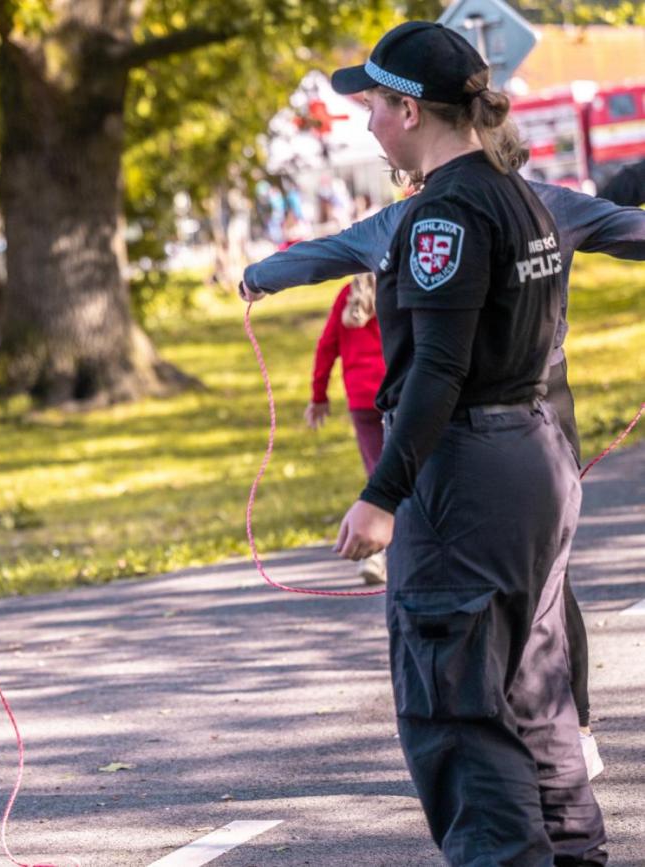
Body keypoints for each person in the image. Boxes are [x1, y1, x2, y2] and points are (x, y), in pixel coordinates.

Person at [242, 22, 607, 865]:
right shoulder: (519, 195)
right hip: (536, 456)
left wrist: (383, 495)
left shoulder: (443, 214)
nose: (367, 121)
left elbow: (439, 369)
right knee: (535, 685)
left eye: (373, 104)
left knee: (458, 704)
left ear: (409, 111)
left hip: (469, 475)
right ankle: (573, 850)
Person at [242, 152, 645, 782]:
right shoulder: (542, 203)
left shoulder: (415, 217)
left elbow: (328, 252)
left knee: (492, 576)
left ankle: (553, 733)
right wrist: (264, 274)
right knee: (541, 575)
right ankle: (556, 733)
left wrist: (259, 276)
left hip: (464, 414)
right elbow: (627, 227)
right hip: (534, 406)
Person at [303, 272, 387, 584]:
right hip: (396, 395)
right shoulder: (396, 289)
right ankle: (387, 550)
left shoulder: (346, 296)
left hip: (362, 400)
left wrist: (318, 396)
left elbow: (326, 347)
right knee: (404, 473)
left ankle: (377, 554)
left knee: (377, 472)